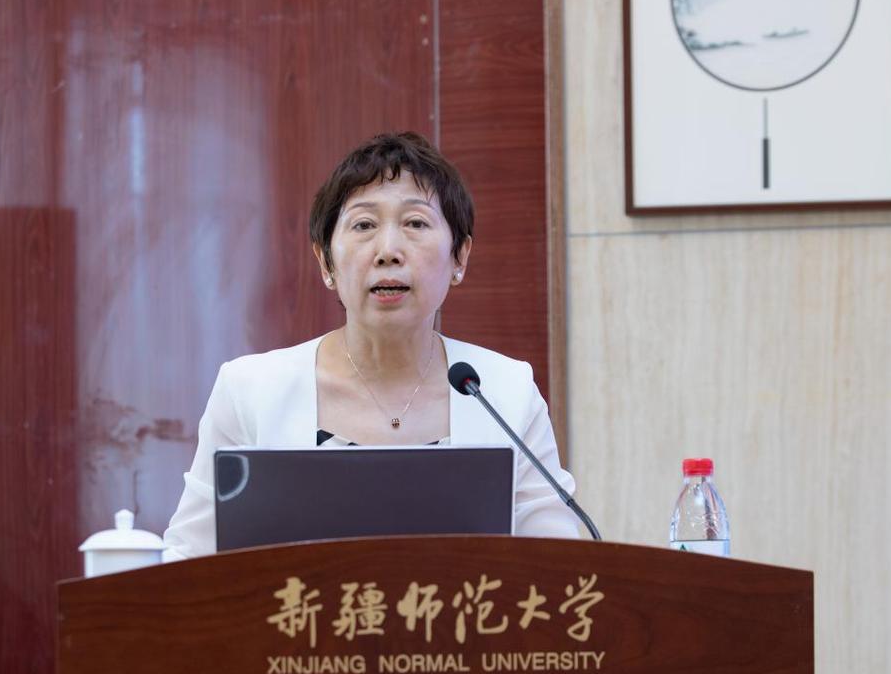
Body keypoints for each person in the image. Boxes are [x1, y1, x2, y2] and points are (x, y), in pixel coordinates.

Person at [163, 132, 581, 560]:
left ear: (459, 257)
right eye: (364, 225)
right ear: (325, 261)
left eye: (415, 224)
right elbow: (188, 563)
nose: (388, 251)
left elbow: (559, 565)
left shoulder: (505, 392)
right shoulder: (249, 391)